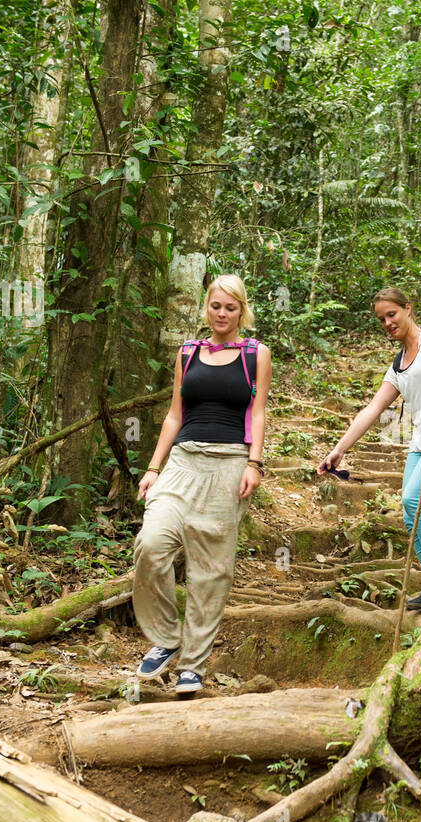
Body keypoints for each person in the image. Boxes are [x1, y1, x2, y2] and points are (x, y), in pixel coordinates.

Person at [132, 273, 270, 696]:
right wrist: (154, 466)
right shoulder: (188, 353)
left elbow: (259, 412)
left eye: (231, 307)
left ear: (241, 310)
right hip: (183, 461)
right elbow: (175, 414)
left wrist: (255, 463)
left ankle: (192, 664)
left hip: (229, 463)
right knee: (151, 544)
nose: (223, 314)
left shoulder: (255, 354)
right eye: (216, 306)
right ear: (206, 308)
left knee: (211, 570)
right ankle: (166, 637)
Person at [318, 287, 421, 610]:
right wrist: (339, 450)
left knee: (412, 498)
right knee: (410, 513)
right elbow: (373, 410)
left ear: (407, 308)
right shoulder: (397, 365)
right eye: (382, 319)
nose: (388, 322)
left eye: (392, 314)